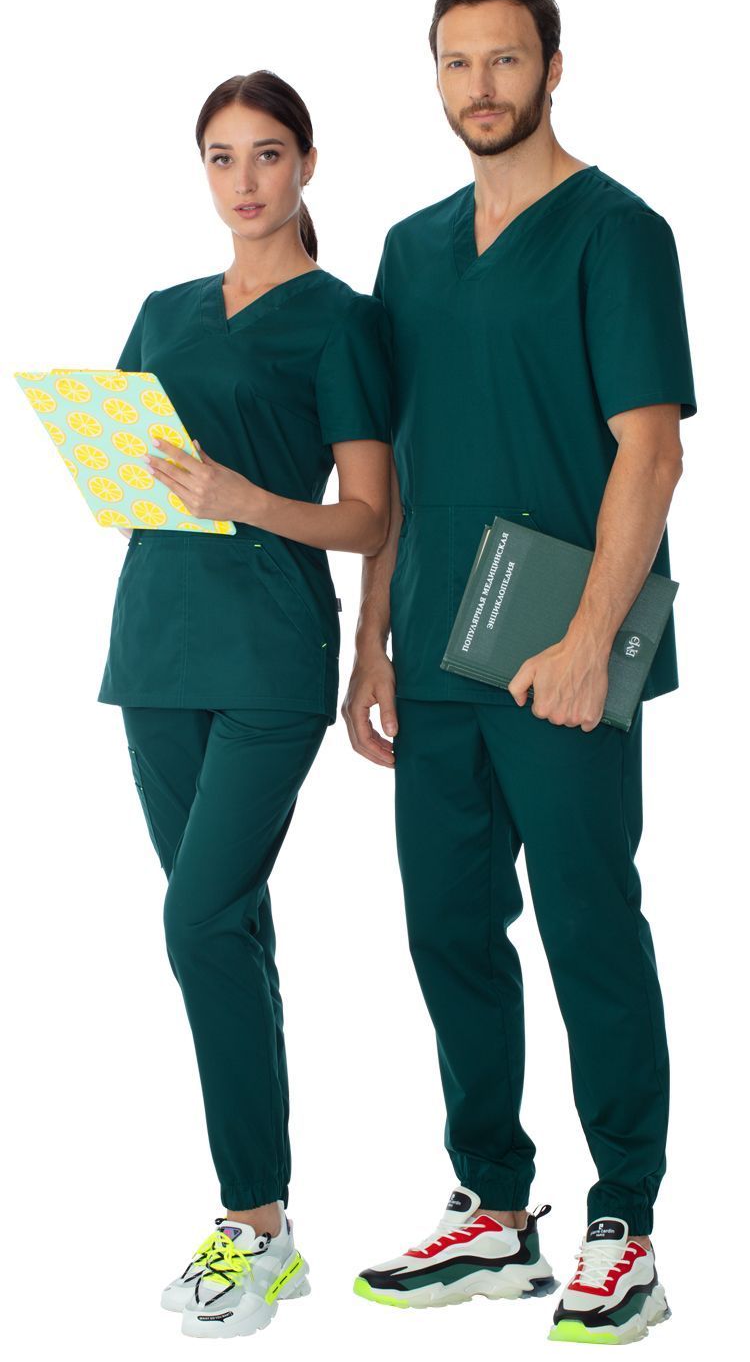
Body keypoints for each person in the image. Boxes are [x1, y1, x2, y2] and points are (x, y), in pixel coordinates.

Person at [343, 0, 695, 1346]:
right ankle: (494, 1209)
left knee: (588, 925)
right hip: (437, 651)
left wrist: (589, 639)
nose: (479, 86)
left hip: (564, 656)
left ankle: (626, 1227)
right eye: (456, 63)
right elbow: (394, 462)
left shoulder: (619, 233)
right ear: (434, 78)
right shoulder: (410, 248)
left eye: (503, 60)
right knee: (447, 928)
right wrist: (371, 640)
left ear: (552, 67)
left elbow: (649, 453)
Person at [97, 70, 392, 1339]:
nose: (244, 180)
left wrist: (245, 496)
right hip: (155, 648)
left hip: (271, 652)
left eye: (267, 154)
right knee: (226, 929)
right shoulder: (161, 311)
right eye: (221, 157)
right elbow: (128, 473)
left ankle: (252, 1221)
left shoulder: (343, 321)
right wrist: (118, 469)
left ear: (306, 165)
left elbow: (370, 515)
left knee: (197, 917)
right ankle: (270, 1225)